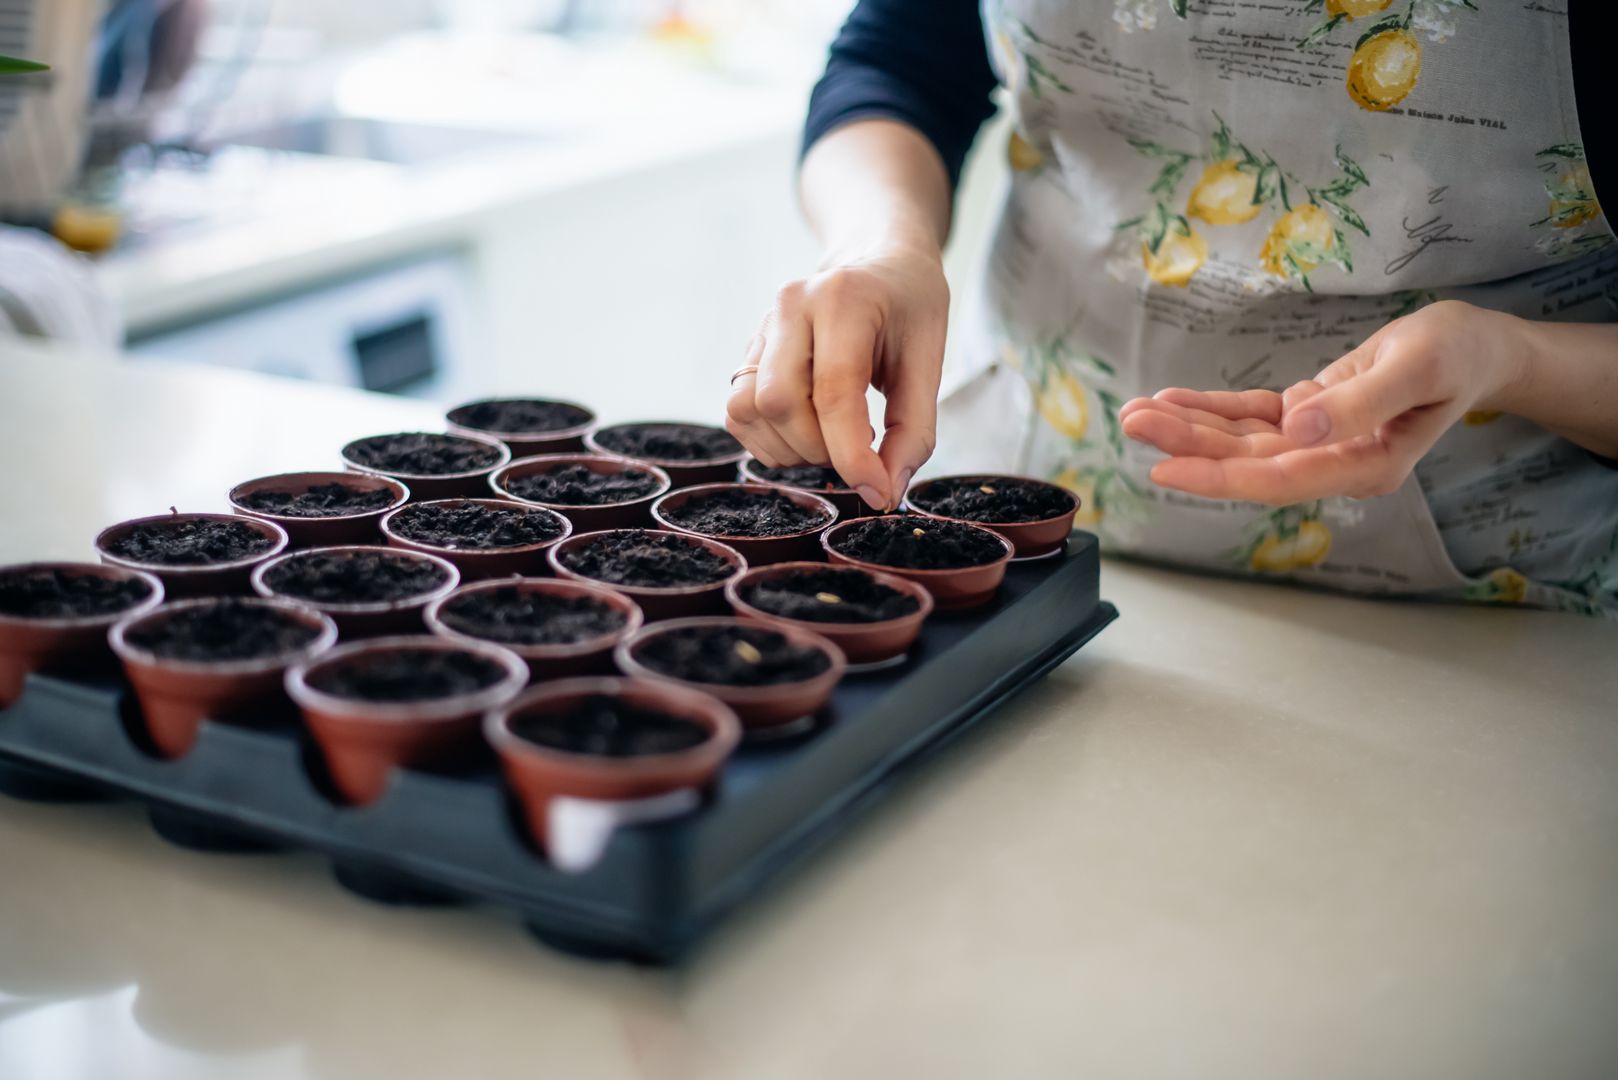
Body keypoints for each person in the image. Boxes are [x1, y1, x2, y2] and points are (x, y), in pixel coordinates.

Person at [724, 0, 1618, 616]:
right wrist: (881, 244)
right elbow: (901, 62)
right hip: (1031, 547)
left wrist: (1512, 359)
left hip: (1490, 613)